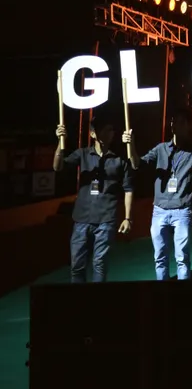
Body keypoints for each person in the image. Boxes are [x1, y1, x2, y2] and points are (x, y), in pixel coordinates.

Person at [126, 111, 192, 280]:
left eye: (182, 123)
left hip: (183, 210)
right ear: (171, 126)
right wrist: (131, 145)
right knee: (160, 256)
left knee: (182, 257)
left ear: (187, 127)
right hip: (160, 210)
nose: (177, 126)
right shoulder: (161, 149)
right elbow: (136, 164)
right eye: (174, 122)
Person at [53, 118, 134, 283]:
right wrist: (60, 142)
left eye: (111, 130)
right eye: (105, 129)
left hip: (106, 219)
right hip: (81, 218)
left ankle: (96, 304)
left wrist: (127, 218)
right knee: (77, 266)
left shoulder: (120, 159)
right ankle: (79, 303)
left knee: (100, 264)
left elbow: (128, 189)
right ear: (93, 133)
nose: (110, 133)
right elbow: (58, 167)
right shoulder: (82, 154)